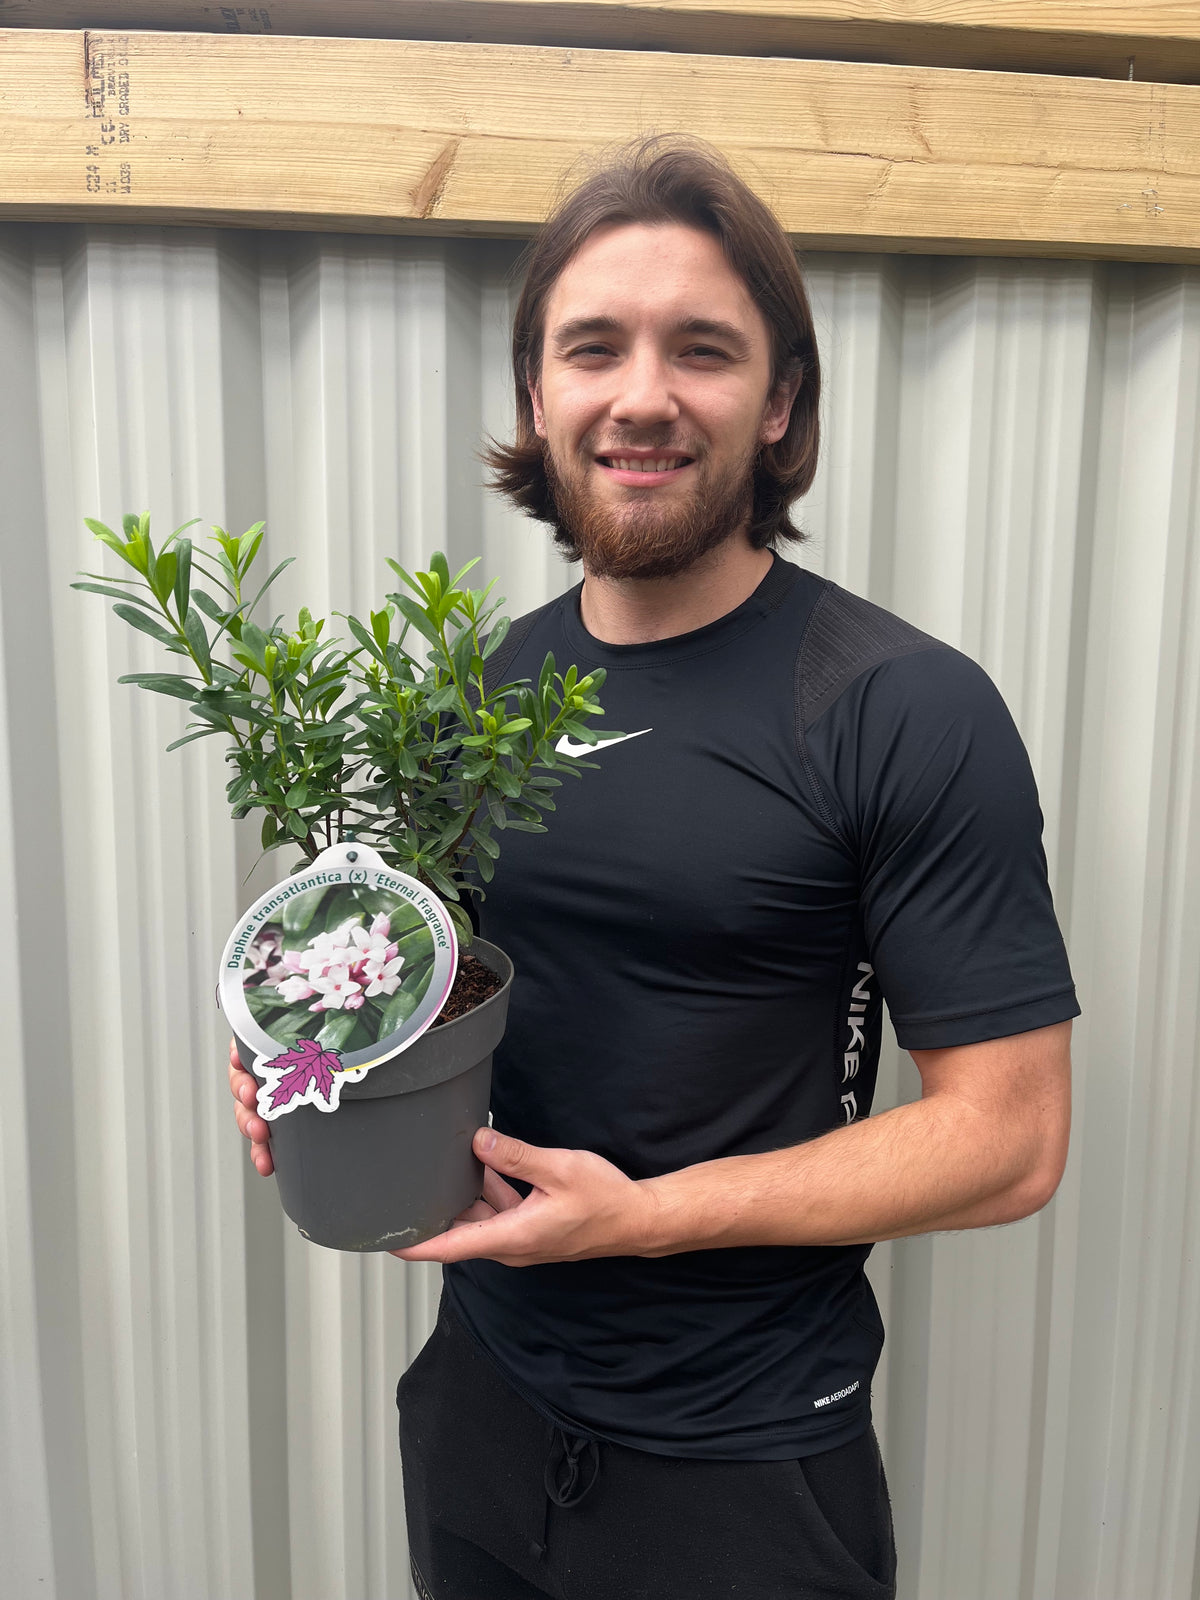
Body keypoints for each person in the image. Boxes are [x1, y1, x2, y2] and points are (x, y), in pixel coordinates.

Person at [230, 136, 1077, 1600]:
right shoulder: (475, 700)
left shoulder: (898, 709)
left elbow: (1011, 1141)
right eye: (593, 347)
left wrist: (642, 1217)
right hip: (480, 1405)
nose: (641, 396)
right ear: (536, 396)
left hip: (740, 1466)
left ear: (780, 400)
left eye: (702, 348)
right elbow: (427, 993)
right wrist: (310, 1064)